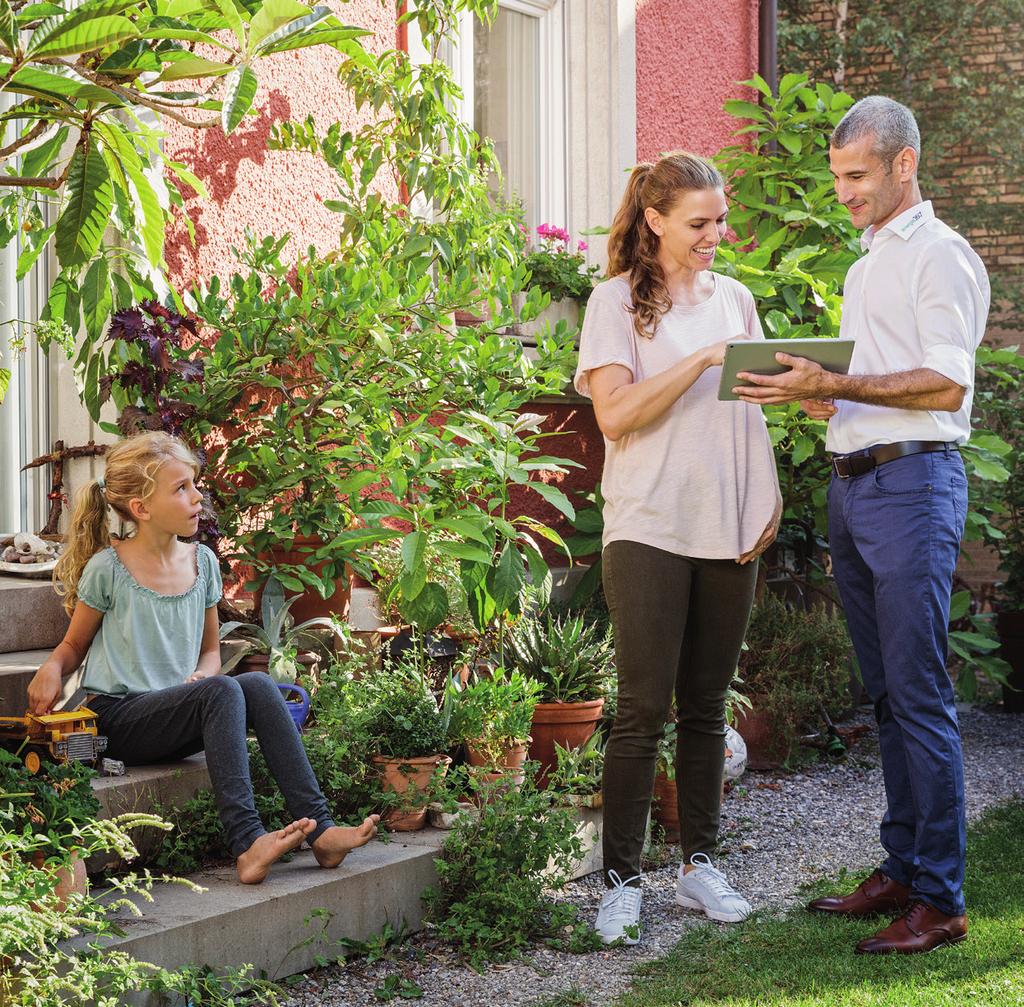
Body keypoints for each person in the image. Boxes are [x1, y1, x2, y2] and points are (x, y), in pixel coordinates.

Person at [735, 96, 988, 954]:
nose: (842, 191)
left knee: (918, 693)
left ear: (903, 164)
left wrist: (838, 385)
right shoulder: (866, 260)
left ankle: (943, 900)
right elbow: (875, 380)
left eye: (855, 175)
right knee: (884, 694)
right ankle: (905, 865)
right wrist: (815, 389)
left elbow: (946, 384)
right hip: (858, 486)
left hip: (913, 485)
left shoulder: (940, 257)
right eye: (836, 175)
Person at [575, 151, 782, 945]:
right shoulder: (615, 303)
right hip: (650, 524)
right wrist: (698, 359)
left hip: (730, 527)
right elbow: (617, 417)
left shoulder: (737, 298)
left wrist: (764, 496)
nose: (715, 234)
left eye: (720, 220)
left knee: (705, 707)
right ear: (656, 220)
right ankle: (623, 880)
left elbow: (751, 410)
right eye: (699, 223)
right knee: (641, 710)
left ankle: (700, 866)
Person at [26, 431, 379, 885]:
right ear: (141, 508)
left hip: (175, 711)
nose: (197, 498)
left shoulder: (203, 562)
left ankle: (323, 831)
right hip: (117, 718)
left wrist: (202, 676)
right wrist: (52, 668)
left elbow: (211, 652)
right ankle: (248, 842)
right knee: (223, 691)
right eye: (181, 488)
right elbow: (74, 646)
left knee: (254, 684)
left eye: (194, 484)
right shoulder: (108, 569)